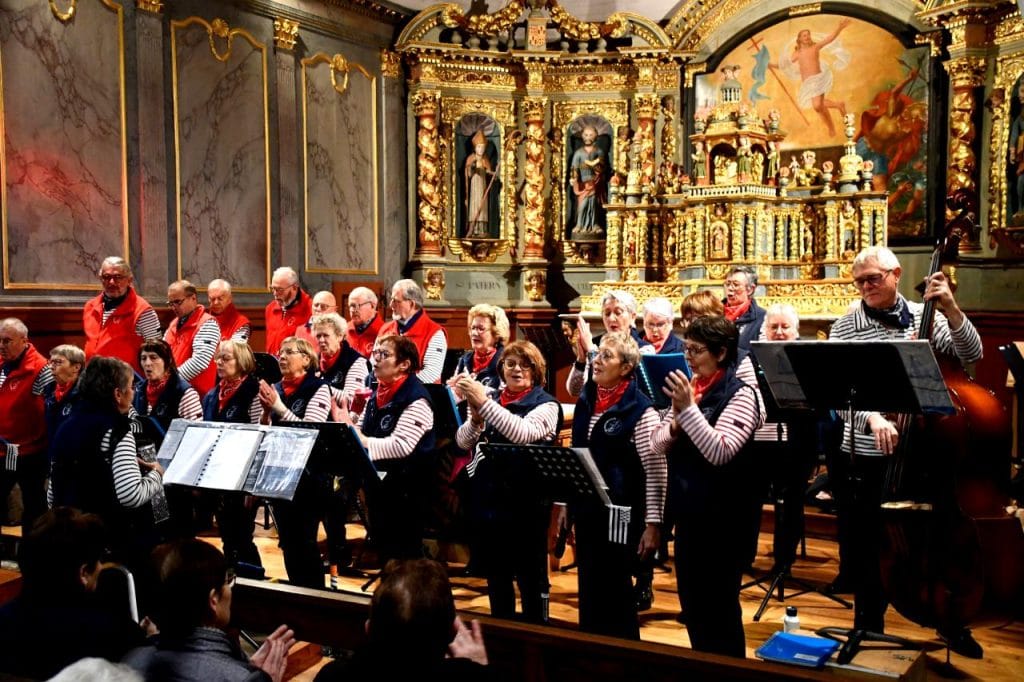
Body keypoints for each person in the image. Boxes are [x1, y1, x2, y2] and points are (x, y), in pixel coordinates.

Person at [828, 245, 985, 658]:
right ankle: (868, 626)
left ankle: (951, 619)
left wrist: (951, 309)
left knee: (939, 537)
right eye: (859, 281)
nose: (865, 287)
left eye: (873, 279)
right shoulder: (846, 327)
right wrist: (873, 418)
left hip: (925, 448)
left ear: (896, 274)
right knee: (865, 545)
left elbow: (973, 355)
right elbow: (838, 393)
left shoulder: (924, 316)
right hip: (866, 453)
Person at [652, 315, 764, 657]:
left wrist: (687, 412)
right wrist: (675, 421)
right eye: (686, 348)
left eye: (697, 350)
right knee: (695, 611)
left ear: (721, 351)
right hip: (690, 517)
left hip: (726, 522)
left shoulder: (742, 395)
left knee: (719, 612)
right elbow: (657, 443)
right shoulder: (691, 390)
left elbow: (720, 451)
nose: (688, 357)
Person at [559, 332, 666, 639]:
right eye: (597, 354)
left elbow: (656, 468)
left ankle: (623, 655)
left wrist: (654, 523)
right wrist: (568, 504)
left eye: (607, 356)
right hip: (587, 508)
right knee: (589, 585)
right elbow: (577, 457)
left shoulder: (641, 410)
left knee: (615, 589)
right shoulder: (587, 400)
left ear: (626, 368)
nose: (597, 361)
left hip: (622, 514)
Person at [455, 340, 562, 623]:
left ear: (536, 370)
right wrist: (476, 420)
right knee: (497, 575)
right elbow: (462, 441)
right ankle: (502, 633)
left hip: (527, 503)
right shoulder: (490, 398)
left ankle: (537, 634)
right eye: (510, 364)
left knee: (530, 576)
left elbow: (521, 432)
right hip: (491, 501)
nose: (517, 370)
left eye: (525, 365)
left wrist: (484, 404)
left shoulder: (546, 405)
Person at [0, 508, 148, 679]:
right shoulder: (113, 633)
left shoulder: (4, 622)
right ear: (84, 573)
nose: (101, 567)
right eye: (98, 560)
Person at [49, 356, 166, 570]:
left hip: (68, 539)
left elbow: (53, 490)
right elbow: (131, 495)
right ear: (117, 394)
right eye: (131, 387)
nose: (134, 393)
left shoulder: (65, 426)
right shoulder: (117, 431)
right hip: (108, 545)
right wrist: (157, 473)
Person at [123, 538, 295, 682]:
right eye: (227, 581)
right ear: (213, 599)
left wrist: (242, 666)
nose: (230, 589)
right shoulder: (242, 678)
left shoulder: (131, 661)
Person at [337, 334, 435, 563]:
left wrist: (361, 440)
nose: (376, 360)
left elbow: (401, 445)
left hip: (409, 488)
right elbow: (361, 428)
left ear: (404, 364)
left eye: (385, 355)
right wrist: (349, 424)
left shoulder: (416, 398)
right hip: (381, 481)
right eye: (376, 354)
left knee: (403, 554)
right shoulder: (377, 391)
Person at [313, 558, 488, 680]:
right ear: (453, 631)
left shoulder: (334, 676)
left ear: (369, 628)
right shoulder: (468, 677)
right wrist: (480, 670)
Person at [257, 336, 331, 587]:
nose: (282, 356)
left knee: (305, 541)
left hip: (309, 477)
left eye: (289, 352)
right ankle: (297, 593)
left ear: (307, 359)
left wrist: (278, 407)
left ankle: (316, 597)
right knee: (288, 542)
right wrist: (267, 412)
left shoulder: (319, 387)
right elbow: (263, 431)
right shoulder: (275, 388)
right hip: (279, 475)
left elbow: (310, 432)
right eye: (280, 352)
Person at [313, 312, 368, 569]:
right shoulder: (317, 362)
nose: (321, 341)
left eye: (326, 336)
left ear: (340, 336)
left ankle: (340, 552)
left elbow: (351, 399)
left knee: (336, 496)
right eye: (318, 336)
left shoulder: (356, 362)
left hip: (348, 438)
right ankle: (332, 549)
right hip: (323, 436)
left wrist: (320, 387)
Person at [203, 339, 264, 570]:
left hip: (243, 475)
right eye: (218, 357)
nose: (219, 362)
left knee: (242, 536)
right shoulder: (211, 395)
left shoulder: (254, 391)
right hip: (219, 475)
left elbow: (260, 438)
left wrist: (253, 485)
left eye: (226, 358)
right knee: (227, 535)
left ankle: (254, 582)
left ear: (243, 362)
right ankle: (232, 579)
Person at [0, 317, 53, 536]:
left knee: (34, 504)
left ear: (24, 340)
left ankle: (36, 554)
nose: (1, 346)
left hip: (30, 450)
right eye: (0, 341)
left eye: (7, 341)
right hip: (5, 448)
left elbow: (52, 407)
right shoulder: (2, 364)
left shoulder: (41, 369)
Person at [83, 257, 162, 372]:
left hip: (127, 384)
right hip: (93, 381)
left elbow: (157, 352)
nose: (111, 282)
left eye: (117, 277)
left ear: (129, 280)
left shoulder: (143, 311)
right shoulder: (90, 307)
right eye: (106, 277)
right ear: (101, 279)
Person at [566, 290, 650, 398]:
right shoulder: (595, 343)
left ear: (632, 317)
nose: (611, 318)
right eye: (607, 313)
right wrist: (581, 360)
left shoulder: (644, 349)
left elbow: (618, 385)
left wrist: (592, 351)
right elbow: (574, 391)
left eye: (618, 313)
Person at [775, 19, 852, 137]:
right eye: (804, 35)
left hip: (818, 79)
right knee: (819, 107)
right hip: (808, 83)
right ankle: (838, 106)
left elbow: (829, 39)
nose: (807, 37)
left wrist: (839, 28)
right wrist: (770, 65)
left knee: (817, 106)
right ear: (799, 39)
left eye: (808, 35)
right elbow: (784, 65)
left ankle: (832, 126)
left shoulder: (815, 47)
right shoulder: (797, 53)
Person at [378, 279, 448, 384]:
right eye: (391, 300)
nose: (391, 305)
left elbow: (431, 373)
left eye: (396, 301)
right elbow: (374, 363)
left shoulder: (435, 333)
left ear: (411, 304)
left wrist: (400, 387)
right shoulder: (385, 329)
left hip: (420, 395)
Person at [164, 279, 221, 396]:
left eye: (177, 302)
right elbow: (162, 353)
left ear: (193, 298)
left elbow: (200, 361)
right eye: (171, 304)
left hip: (196, 395)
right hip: (173, 392)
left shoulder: (207, 323)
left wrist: (170, 380)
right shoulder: (173, 324)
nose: (174, 307)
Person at [451, 303, 510, 395]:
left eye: (481, 329)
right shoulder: (464, 360)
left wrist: (475, 389)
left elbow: (506, 397)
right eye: (473, 328)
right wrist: (452, 388)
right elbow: (453, 396)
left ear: (496, 334)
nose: (474, 333)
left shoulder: (506, 362)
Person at [569, 125, 607, 236]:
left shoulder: (598, 151)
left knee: (593, 204)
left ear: (595, 136)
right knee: (582, 204)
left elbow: (602, 166)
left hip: (594, 181)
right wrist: (573, 178)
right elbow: (574, 168)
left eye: (591, 135)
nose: (588, 137)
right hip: (582, 183)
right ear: (582, 136)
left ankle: (594, 224)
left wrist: (597, 167)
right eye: (586, 135)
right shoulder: (578, 153)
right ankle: (579, 224)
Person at [265, 266, 312, 355]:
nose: (275, 294)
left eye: (280, 290)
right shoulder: (270, 309)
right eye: (273, 288)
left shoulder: (310, 309)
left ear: (294, 287)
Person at [43, 344, 86, 441]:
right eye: (51, 362)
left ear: (76, 367)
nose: (51, 367)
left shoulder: (87, 393)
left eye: (58, 362)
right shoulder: (48, 389)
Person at [722, 265, 766, 355]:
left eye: (736, 285)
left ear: (750, 289)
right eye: (728, 284)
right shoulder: (715, 313)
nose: (730, 288)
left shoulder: (762, 318)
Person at [464, 130, 495, 238]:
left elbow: (489, 171)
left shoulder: (485, 160)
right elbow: (467, 173)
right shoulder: (471, 158)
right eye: (479, 147)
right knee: (475, 205)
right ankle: (473, 229)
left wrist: (492, 174)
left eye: (482, 147)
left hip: (482, 185)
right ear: (475, 148)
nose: (481, 150)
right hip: (474, 185)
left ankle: (482, 229)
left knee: (483, 207)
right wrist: (472, 168)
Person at [346, 286, 383, 359]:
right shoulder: (344, 330)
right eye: (351, 306)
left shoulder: (384, 332)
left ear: (372, 306)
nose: (353, 310)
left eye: (357, 306)